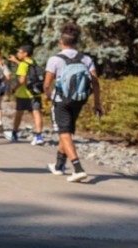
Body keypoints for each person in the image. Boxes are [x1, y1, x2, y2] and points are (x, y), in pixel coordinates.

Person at [44, 22, 103, 182]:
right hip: (80, 99)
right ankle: (58, 165)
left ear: (61, 42)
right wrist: (97, 102)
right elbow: (95, 82)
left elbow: (47, 83)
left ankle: (77, 168)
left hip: (61, 100)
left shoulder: (54, 59)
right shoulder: (86, 59)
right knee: (67, 131)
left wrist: (47, 95)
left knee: (64, 132)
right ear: (76, 42)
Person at [7, 45, 45, 145]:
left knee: (19, 114)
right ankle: (39, 136)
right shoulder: (34, 62)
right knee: (37, 114)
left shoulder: (23, 64)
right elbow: (27, 70)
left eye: (19, 52)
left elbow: (22, 80)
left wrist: (14, 89)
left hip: (23, 94)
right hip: (35, 93)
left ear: (25, 54)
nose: (17, 54)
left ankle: (14, 133)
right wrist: (16, 61)